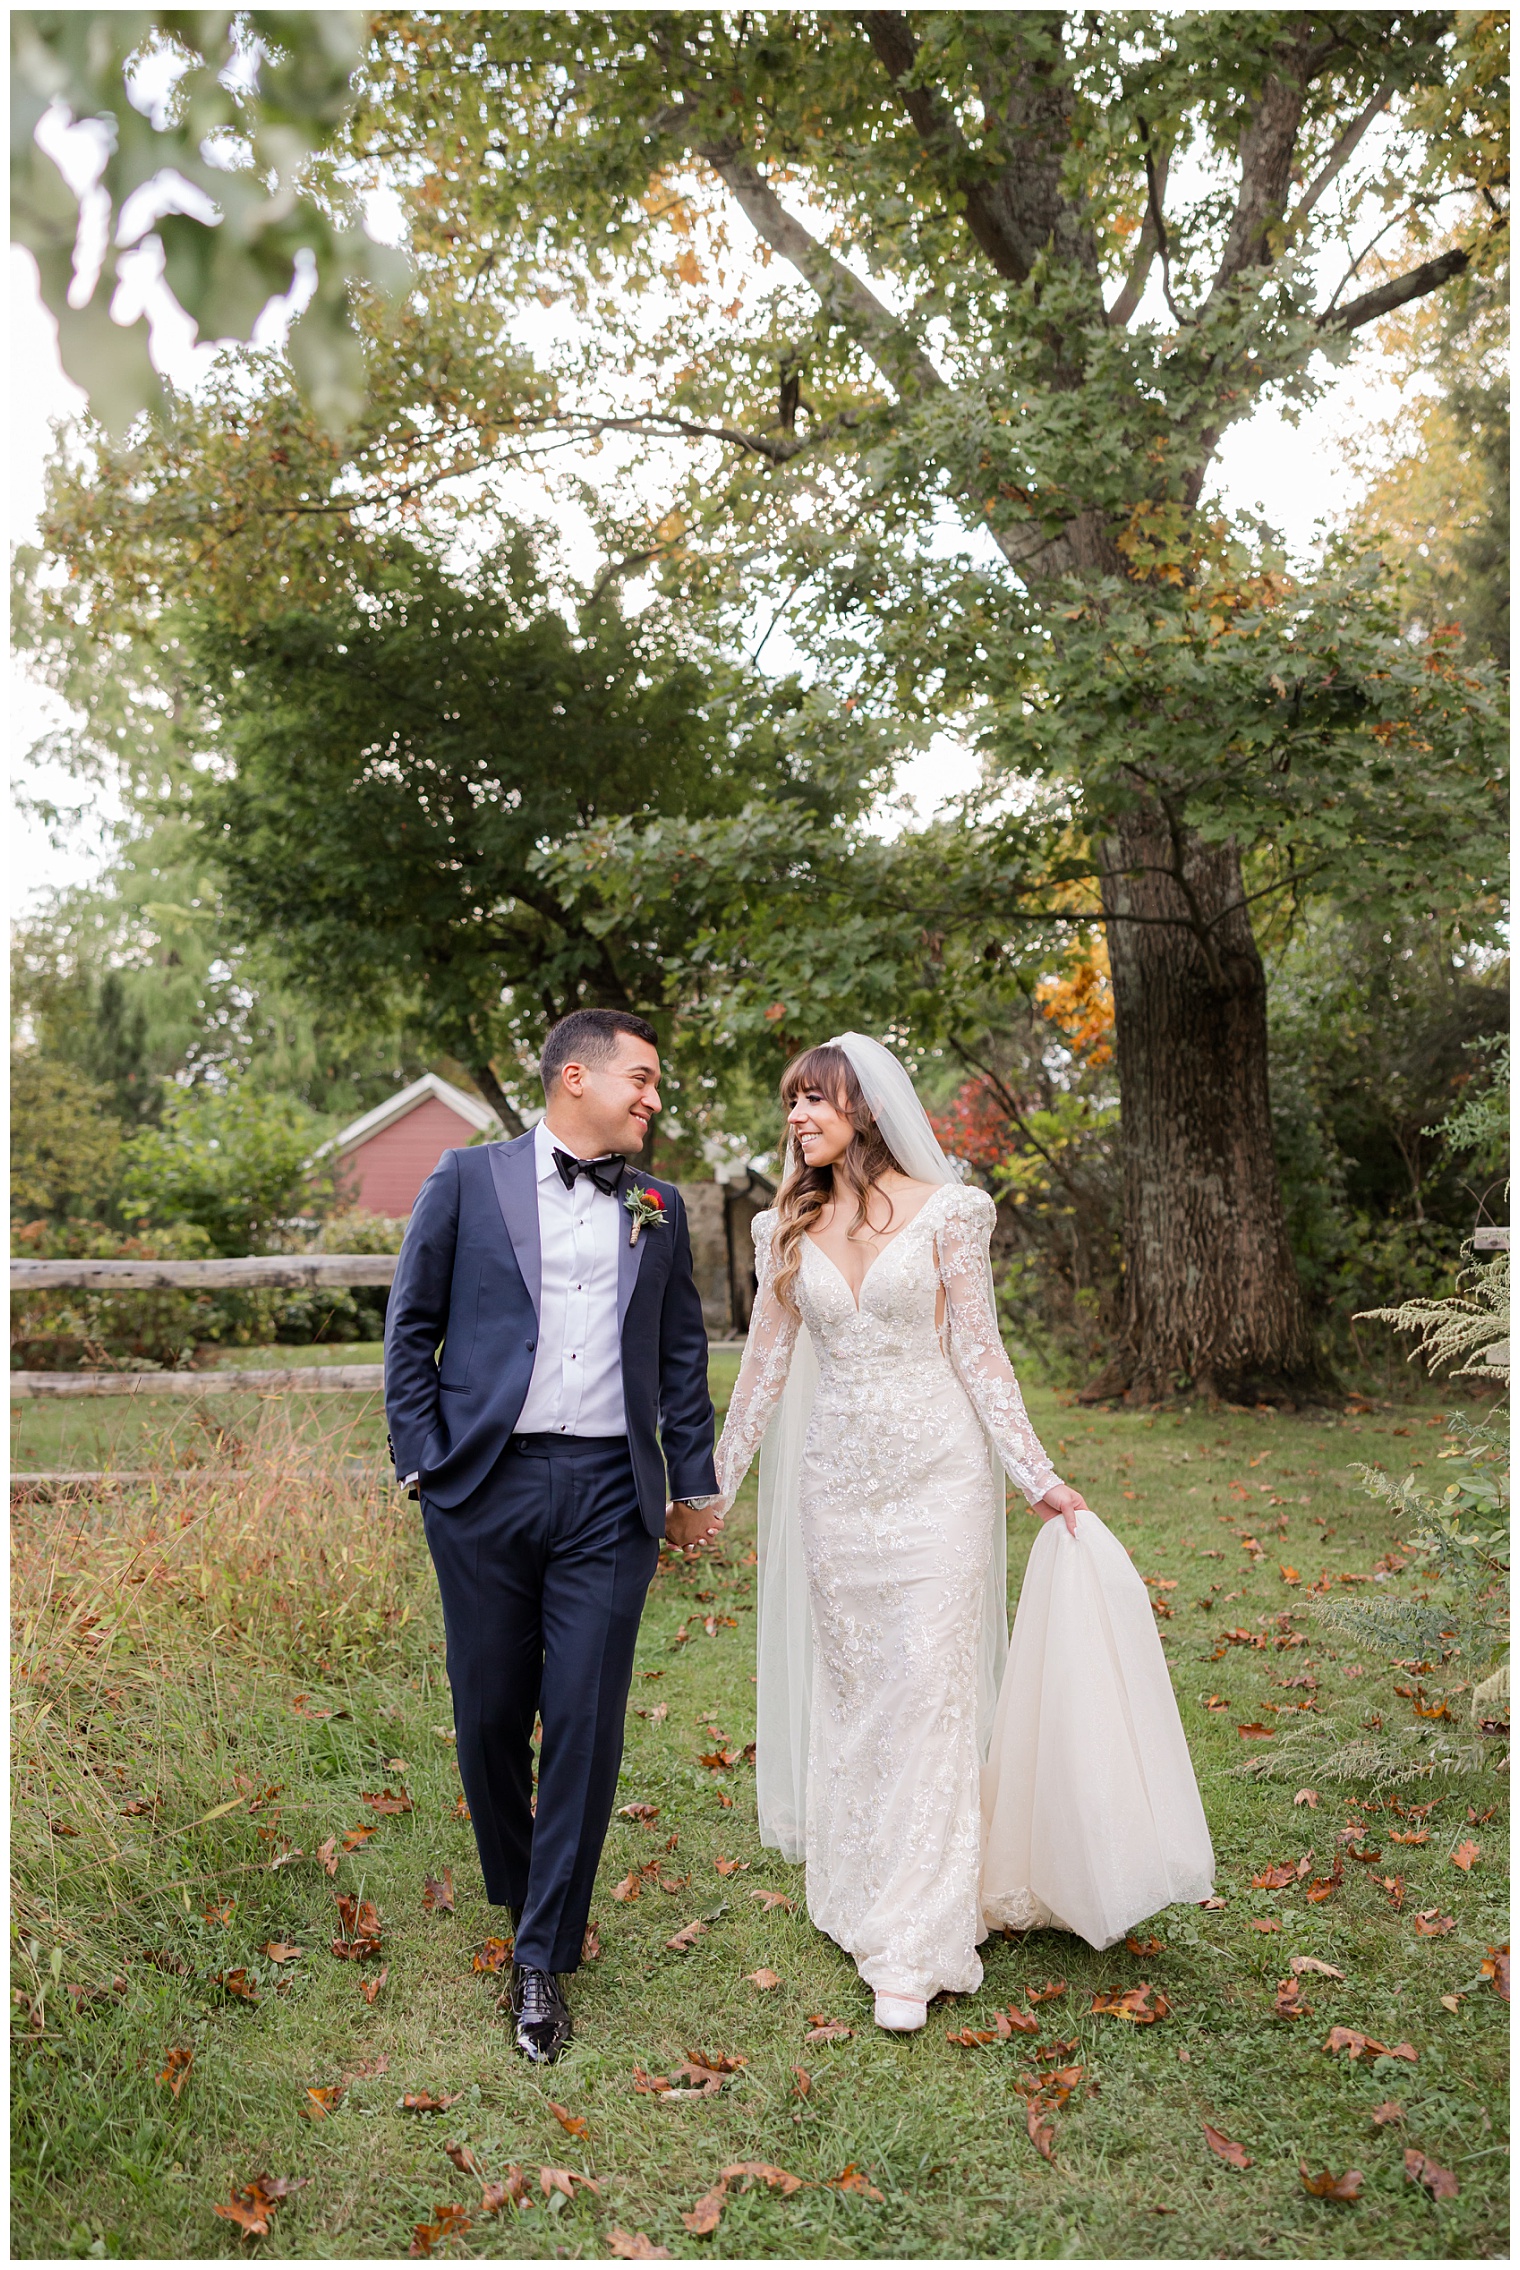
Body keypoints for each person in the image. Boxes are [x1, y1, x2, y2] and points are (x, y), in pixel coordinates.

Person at [713, 1033, 1214, 2033]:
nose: (798, 1118)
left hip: (938, 1477)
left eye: (815, 1100)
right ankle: (860, 1886)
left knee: (928, 1688)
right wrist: (708, 1493)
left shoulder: (950, 1211)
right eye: (791, 1104)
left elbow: (978, 1353)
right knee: (862, 1690)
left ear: (865, 1106)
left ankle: (917, 1937)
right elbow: (763, 1370)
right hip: (836, 1488)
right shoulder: (788, 1225)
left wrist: (1036, 1475)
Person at [385, 1009, 720, 2063]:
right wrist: (425, 1459)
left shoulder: (658, 1206)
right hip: (483, 1486)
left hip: (607, 1496)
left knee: (582, 1719)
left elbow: (678, 1354)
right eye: (644, 1079)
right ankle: (531, 1884)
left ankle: (541, 1954)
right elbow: (410, 1326)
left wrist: (693, 1482)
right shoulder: (464, 1180)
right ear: (576, 1077)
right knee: (489, 1713)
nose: (654, 1098)